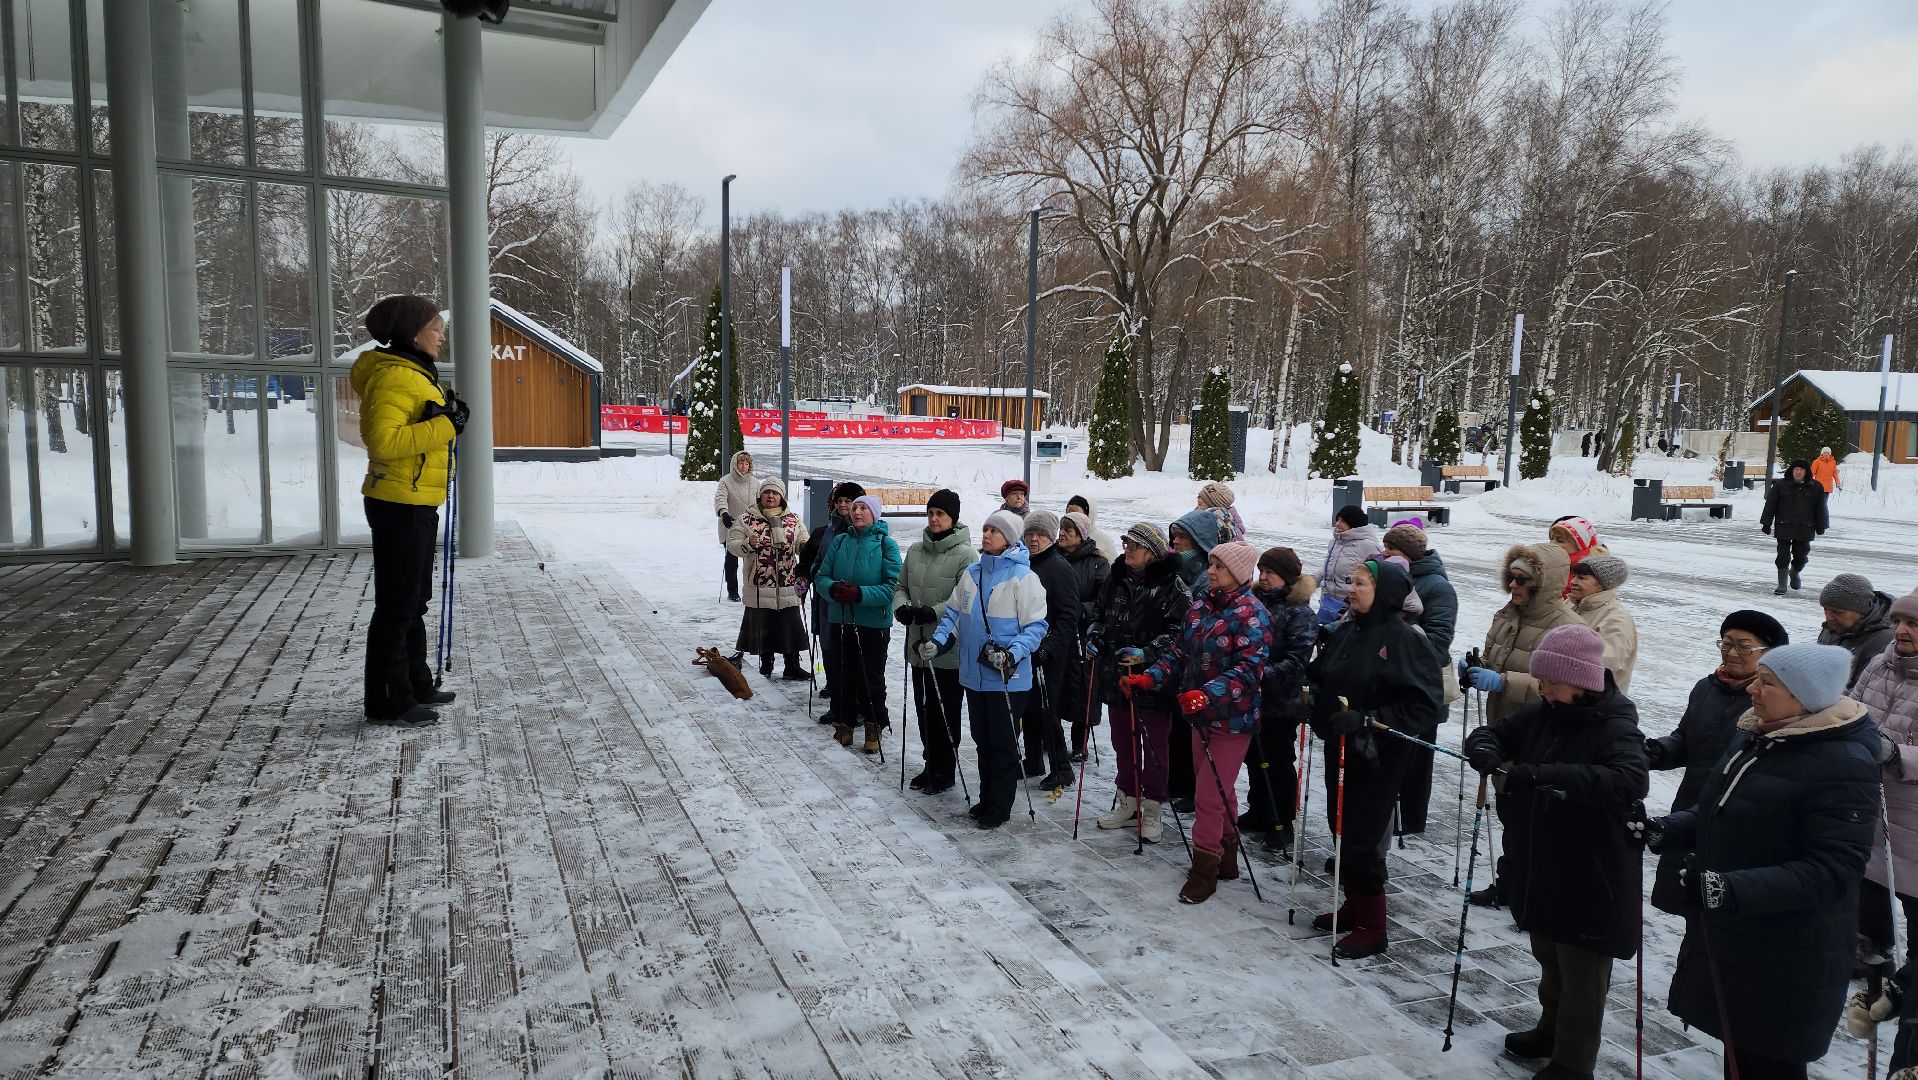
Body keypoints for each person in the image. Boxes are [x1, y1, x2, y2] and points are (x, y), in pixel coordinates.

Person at [1639, 643, 1879, 1079]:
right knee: (1741, 1054)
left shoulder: (1843, 762)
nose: (1752, 688)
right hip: (1741, 932)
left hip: (1789, 947)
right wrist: (1667, 828)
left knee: (1769, 1063)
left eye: (1767, 682)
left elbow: (1834, 869)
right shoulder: (1760, 735)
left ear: (1804, 697)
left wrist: (1728, 889)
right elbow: (1723, 810)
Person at [1465, 625, 1648, 1080]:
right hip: (1541, 857)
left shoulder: (1616, 725)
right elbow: (1496, 732)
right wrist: (1485, 747)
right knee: (1548, 953)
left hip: (1589, 868)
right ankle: (1550, 1029)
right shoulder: (1545, 711)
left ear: (1582, 681)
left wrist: (1544, 774)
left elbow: (1630, 780)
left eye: (1551, 681)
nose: (1543, 688)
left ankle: (1573, 1061)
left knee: (1582, 970)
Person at [1120, 541, 1273, 904]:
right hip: (1197, 713)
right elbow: (1179, 652)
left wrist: (1207, 693)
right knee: (1220, 788)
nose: (1211, 571)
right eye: (1212, 564)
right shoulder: (1201, 606)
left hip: (1232, 718)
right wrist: (1150, 677)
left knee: (1207, 792)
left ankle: (1204, 866)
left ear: (1237, 574)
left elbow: (1250, 670)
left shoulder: (1252, 614)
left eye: (1219, 566)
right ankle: (1227, 854)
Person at [1304, 559, 1444, 956]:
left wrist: (1370, 720)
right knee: (1342, 826)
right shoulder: (1349, 630)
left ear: (1383, 593)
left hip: (1378, 754)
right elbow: (1321, 673)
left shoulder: (1405, 639)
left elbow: (1425, 704)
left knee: (1364, 837)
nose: (1351, 589)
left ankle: (1373, 925)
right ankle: (1353, 903)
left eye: (1361, 583)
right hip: (1342, 745)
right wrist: (1310, 697)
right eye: (1350, 582)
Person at [353, 295, 465, 728]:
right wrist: (446, 424)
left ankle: (415, 684)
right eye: (435, 328)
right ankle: (388, 701)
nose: (441, 336)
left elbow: (418, 433)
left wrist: (445, 418)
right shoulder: (396, 377)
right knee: (396, 606)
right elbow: (384, 443)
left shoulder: (414, 375)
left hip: (416, 499)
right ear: (410, 334)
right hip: (399, 504)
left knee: (414, 600)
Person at [1644, 610, 1789, 915]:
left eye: (1743, 646)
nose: (1731, 653)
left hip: (1739, 819)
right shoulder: (1706, 688)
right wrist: (1654, 752)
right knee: (1687, 902)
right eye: (1726, 644)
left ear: (1771, 653)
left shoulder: (1777, 701)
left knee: (1720, 913)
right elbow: (1685, 740)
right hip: (1692, 807)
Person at [1462, 541, 1583, 907]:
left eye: (1521, 580)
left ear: (1543, 584)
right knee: (1509, 813)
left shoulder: (1566, 626)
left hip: (1544, 734)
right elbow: (1495, 657)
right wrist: (1476, 667)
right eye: (1510, 578)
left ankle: (1538, 892)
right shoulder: (1508, 614)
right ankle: (1512, 883)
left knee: (1533, 820)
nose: (1512, 586)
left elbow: (1573, 688)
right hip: (1506, 725)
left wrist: (1503, 681)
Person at [923, 511, 1050, 829]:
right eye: (986, 528)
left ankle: (1000, 806)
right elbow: (952, 613)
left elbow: (1036, 627)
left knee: (1003, 743)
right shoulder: (972, 573)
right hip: (974, 674)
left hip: (1008, 678)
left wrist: (1013, 653)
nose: (987, 534)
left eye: (994, 530)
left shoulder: (1024, 578)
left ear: (1010, 538)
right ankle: (985, 798)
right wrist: (937, 643)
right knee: (981, 740)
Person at [1088, 523, 1190, 843]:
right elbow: (1099, 615)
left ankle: (1153, 807)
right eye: (1126, 543)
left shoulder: (1173, 585)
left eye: (1135, 545)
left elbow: (1181, 633)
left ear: (1153, 552)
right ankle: (1128, 803)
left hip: (1154, 680)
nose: (1128, 549)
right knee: (1123, 740)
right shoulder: (1115, 578)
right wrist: (1094, 636)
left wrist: (1147, 652)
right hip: (1117, 675)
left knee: (1155, 745)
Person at [893, 489, 976, 795]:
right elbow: (900, 585)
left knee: (945, 710)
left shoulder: (966, 555)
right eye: (931, 513)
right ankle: (930, 763)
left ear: (952, 517)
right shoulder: (915, 550)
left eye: (940, 513)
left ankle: (945, 769)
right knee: (923, 707)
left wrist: (934, 611)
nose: (934, 519)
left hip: (947, 647)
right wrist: (901, 607)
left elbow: (964, 596)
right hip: (918, 642)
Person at [1237, 546, 1316, 850]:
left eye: (1271, 573)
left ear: (1287, 577)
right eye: (1262, 571)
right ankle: (1258, 810)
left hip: (1281, 702)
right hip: (1251, 697)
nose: (1264, 577)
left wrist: (1258, 673)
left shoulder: (1300, 613)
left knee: (1278, 760)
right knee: (1254, 758)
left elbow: (1298, 662)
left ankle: (1281, 821)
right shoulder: (1254, 602)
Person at [1857, 588, 1918, 981]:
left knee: (1913, 896)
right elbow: (1852, 707)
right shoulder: (1880, 664)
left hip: (1913, 816)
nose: (1900, 630)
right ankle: (1873, 947)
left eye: (1912, 623)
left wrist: (1897, 755)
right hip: (1868, 798)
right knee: (1868, 877)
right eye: (1897, 621)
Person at [1382, 522, 1457, 836]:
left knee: (1416, 760)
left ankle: (1411, 820)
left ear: (1409, 556)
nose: (1384, 554)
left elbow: (1439, 642)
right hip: (1394, 684)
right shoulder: (1393, 575)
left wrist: (1399, 635)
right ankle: (1392, 816)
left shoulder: (1437, 586)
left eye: (1392, 550)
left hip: (1422, 688)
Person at [815, 495, 903, 754]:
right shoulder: (841, 540)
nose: (857, 512)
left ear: (875, 514)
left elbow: (892, 587)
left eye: (864, 508)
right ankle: (844, 723)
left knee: (870, 677)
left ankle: (874, 725)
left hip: (873, 623)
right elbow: (822, 576)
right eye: (855, 508)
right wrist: (833, 588)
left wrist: (860, 594)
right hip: (840, 618)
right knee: (842, 675)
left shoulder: (886, 544)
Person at [1019, 511, 1082, 789]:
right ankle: (1033, 759)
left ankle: (1061, 767)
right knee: (1028, 706)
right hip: (1027, 647)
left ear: (1051, 537)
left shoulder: (1058, 567)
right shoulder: (1024, 563)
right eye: (1030, 533)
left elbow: (1070, 615)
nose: (1034, 539)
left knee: (1046, 708)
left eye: (1041, 534)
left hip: (1050, 652)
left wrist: (1050, 647)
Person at [726, 477, 811, 680]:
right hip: (759, 585)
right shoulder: (746, 518)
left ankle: (792, 666)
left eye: (775, 493)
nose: (771, 496)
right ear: (760, 495)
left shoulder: (794, 519)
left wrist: (806, 547)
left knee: (789, 627)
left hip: (788, 584)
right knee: (764, 627)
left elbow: (802, 542)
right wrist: (747, 542)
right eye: (767, 492)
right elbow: (733, 544)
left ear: (782, 497)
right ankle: (766, 665)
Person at [798, 482, 865, 711]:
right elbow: (807, 561)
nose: (845, 505)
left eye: (850, 501)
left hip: (855, 602)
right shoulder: (822, 532)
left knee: (854, 651)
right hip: (826, 600)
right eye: (841, 501)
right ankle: (836, 693)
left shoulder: (865, 532)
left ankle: (854, 701)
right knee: (830, 645)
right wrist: (802, 578)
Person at [1058, 512, 1111, 758]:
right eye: (1062, 528)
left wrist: (1083, 610)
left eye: (1070, 529)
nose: (1063, 533)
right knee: (1057, 685)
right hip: (1057, 630)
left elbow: (1104, 600)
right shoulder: (1054, 558)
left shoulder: (1098, 563)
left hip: (1084, 632)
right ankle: (1052, 741)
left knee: (1085, 688)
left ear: (1082, 535)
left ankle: (1079, 744)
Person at [1569, 555, 1638, 695]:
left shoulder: (1617, 619)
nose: (1573, 582)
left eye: (1581, 578)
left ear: (1602, 584)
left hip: (1592, 705)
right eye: (1574, 576)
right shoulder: (1570, 605)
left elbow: (1605, 665)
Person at [1760, 458, 1828, 594]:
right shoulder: (1780, 485)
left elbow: (1821, 508)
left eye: (1801, 469)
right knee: (1783, 556)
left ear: (1806, 472)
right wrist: (1766, 523)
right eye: (1796, 469)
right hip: (1784, 525)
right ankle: (1782, 585)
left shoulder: (1816, 487)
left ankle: (1795, 572)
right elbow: (1770, 505)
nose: (1798, 472)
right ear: (1791, 471)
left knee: (1801, 556)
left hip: (1805, 527)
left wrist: (1821, 525)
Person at [1819, 572, 1895, 689]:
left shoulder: (1884, 640)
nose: (1829, 617)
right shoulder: (1830, 630)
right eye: (1825, 609)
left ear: (1862, 611)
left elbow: (1865, 691)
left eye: (1837, 612)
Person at [1318, 505, 1382, 625]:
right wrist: (1309, 582)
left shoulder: (1368, 545)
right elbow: (1328, 568)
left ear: (1353, 523)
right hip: (1328, 603)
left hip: (1350, 605)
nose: (1337, 523)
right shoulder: (1334, 542)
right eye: (1337, 520)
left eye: (1342, 521)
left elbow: (1378, 575)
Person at [713, 450, 760, 602]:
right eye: (741, 463)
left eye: (747, 463)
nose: (744, 466)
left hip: (750, 527)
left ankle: (751, 589)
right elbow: (720, 498)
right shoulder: (725, 481)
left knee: (752, 560)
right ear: (735, 464)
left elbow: (760, 503)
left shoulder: (755, 483)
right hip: (731, 525)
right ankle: (732, 591)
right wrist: (723, 513)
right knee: (732, 561)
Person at [1167, 507, 1223, 595]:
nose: (1175, 541)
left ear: (1199, 543)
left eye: (1182, 537)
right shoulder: (1164, 566)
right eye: (1175, 535)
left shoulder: (1208, 579)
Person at [1548, 516, 1605, 598]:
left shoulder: (1585, 569)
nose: (1552, 543)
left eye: (1560, 541)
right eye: (1552, 539)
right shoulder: (1557, 562)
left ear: (1579, 546)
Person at [1066, 495, 1121, 565]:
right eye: (1069, 515)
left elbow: (1115, 571)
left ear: (1089, 516)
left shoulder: (1104, 541)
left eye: (1078, 516)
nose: (1072, 520)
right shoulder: (1063, 537)